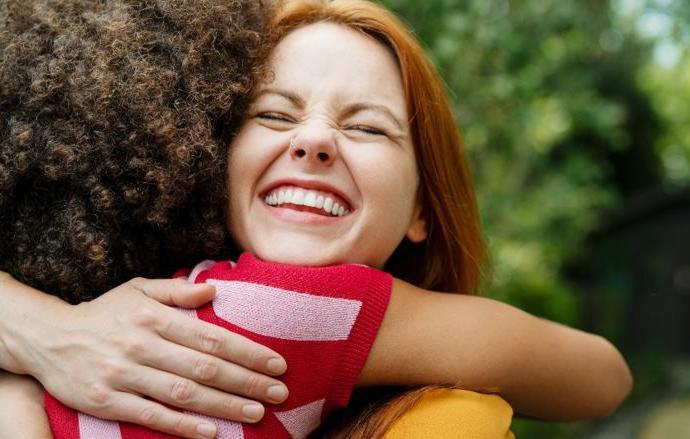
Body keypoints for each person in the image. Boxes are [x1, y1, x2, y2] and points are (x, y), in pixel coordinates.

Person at [0, 0, 632, 438]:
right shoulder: (313, 312)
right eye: (273, 115)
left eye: (365, 126)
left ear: (422, 208)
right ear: (205, 153)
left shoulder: (315, 315)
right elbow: (603, 375)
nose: (314, 140)